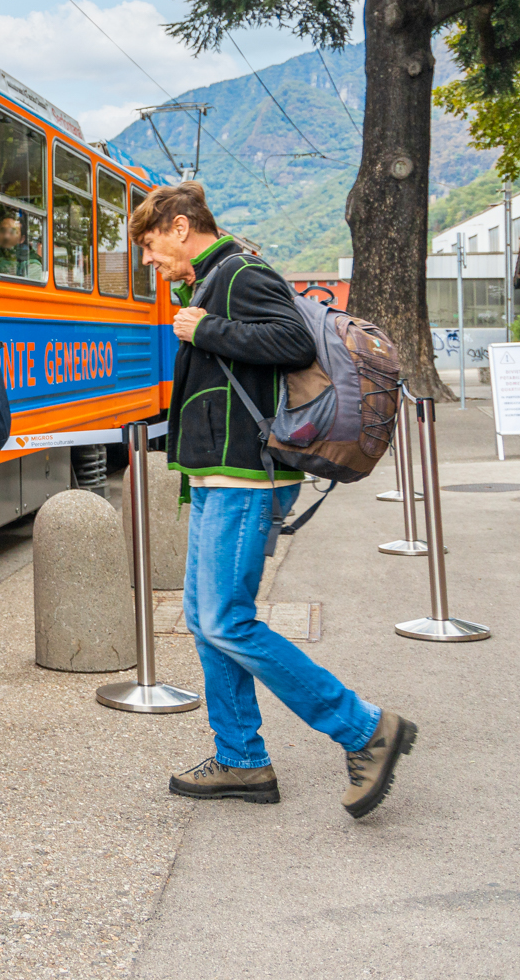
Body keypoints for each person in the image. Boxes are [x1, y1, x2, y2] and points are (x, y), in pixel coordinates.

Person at [131, 182, 415, 819]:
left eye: (151, 247)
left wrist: (207, 328)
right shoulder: (212, 278)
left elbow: (292, 342)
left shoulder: (238, 274)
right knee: (209, 624)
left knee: (226, 619)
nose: (149, 262)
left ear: (180, 227)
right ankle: (240, 758)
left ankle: (363, 727)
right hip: (217, 473)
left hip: (245, 475)